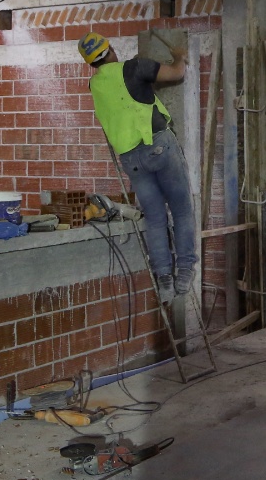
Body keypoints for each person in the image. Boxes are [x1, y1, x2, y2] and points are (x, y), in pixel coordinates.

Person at [78, 31, 196, 307]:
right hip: (159, 146)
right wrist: (179, 56)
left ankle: (165, 279)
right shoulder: (135, 67)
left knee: (155, 218)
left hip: (132, 159)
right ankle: (185, 272)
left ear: (91, 63)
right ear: (110, 49)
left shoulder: (94, 85)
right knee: (181, 210)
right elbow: (177, 73)